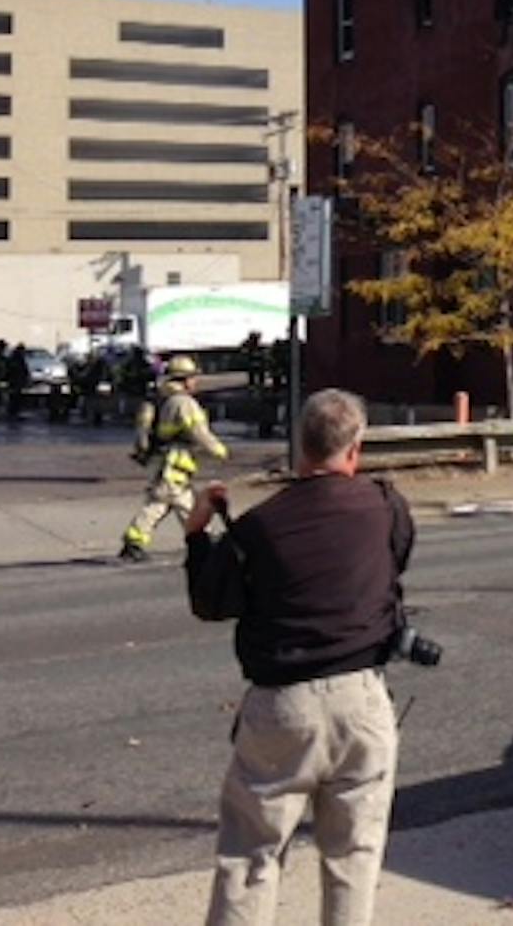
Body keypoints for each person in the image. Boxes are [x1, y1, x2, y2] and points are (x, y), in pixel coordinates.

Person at [183, 388, 413, 926]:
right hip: (362, 701)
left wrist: (198, 536)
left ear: (300, 447)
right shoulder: (385, 507)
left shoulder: (259, 528)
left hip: (281, 705)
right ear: (355, 449)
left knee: (250, 857)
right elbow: (396, 562)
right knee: (354, 858)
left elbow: (212, 603)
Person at [120, 355, 230, 562]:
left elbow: (145, 434)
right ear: (184, 379)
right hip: (175, 462)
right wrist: (219, 451)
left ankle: (200, 538)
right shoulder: (184, 403)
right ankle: (135, 542)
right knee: (169, 502)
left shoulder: (160, 400)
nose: (196, 382)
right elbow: (198, 431)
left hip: (164, 461)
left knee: (175, 502)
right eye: (193, 377)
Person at [5, 342, 32, 421]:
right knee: (15, 398)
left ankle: (13, 412)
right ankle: (13, 413)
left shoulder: (14, 358)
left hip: (15, 382)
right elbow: (21, 371)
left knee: (14, 397)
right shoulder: (17, 359)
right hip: (15, 382)